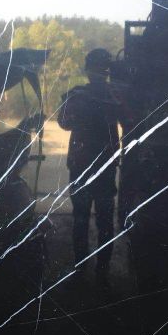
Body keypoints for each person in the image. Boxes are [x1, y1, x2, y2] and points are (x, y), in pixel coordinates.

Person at [58, 49, 122, 284]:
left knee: (81, 219)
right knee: (104, 221)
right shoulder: (115, 95)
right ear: (108, 70)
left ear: (87, 69)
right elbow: (130, 119)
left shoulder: (78, 95)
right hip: (104, 166)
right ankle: (101, 274)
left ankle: (81, 271)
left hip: (81, 165)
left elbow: (64, 123)